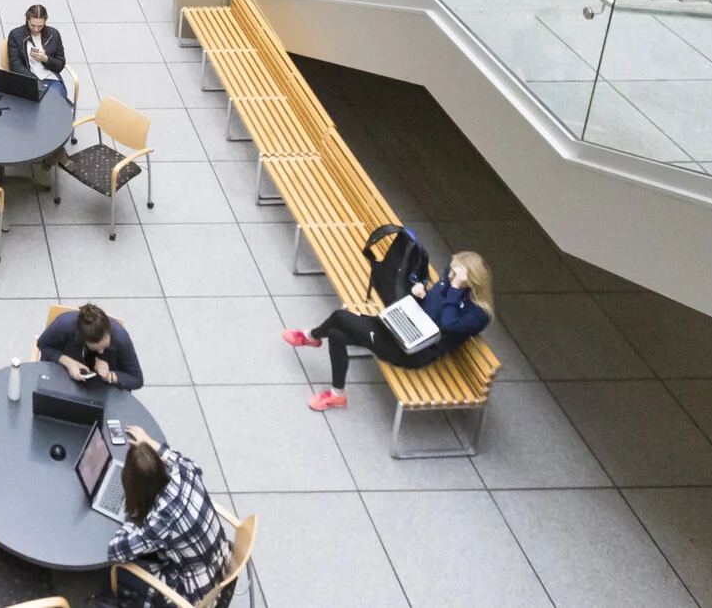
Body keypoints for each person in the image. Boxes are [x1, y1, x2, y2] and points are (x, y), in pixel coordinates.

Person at [283, 251, 494, 411]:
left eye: (456, 274)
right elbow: (428, 309)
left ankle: (310, 336)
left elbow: (448, 322)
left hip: (413, 351)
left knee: (340, 317)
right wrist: (418, 293)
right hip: (403, 329)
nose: (448, 275)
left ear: (470, 281)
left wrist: (455, 289)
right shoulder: (447, 284)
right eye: (451, 271)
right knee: (337, 335)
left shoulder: (478, 315)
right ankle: (337, 394)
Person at [106, 427, 234, 608]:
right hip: (222, 561)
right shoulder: (184, 472)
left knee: (122, 572)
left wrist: (130, 520)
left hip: (196, 593)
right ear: (162, 464)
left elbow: (115, 550)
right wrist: (149, 442)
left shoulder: (161, 522)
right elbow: (176, 458)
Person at [37, 302, 142, 391]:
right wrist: (68, 362)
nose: (101, 352)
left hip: (102, 390)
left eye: (105, 346)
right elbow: (43, 345)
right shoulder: (63, 325)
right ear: (84, 339)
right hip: (63, 380)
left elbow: (137, 379)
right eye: (96, 348)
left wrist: (109, 376)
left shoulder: (121, 338)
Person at [5, 4, 67, 78]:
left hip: (50, 77)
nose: (36, 29)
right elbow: (15, 66)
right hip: (27, 79)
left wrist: (46, 59)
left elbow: (60, 65)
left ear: (45, 22)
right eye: (33, 25)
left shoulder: (53, 34)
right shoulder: (16, 35)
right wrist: (35, 80)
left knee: (58, 89)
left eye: (40, 26)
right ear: (27, 20)